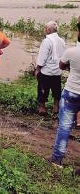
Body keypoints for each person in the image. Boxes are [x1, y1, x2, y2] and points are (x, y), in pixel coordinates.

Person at [50, 22, 80, 167]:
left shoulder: (71, 52)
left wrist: (72, 67)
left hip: (72, 92)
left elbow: (61, 65)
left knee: (64, 127)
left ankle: (57, 160)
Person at [35, 21, 65, 116]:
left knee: (43, 90)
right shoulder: (61, 40)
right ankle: (56, 109)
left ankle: (42, 108)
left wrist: (37, 69)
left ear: (48, 30)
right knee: (56, 91)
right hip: (57, 71)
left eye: (45, 28)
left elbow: (42, 58)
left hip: (46, 71)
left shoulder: (46, 41)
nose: (44, 30)